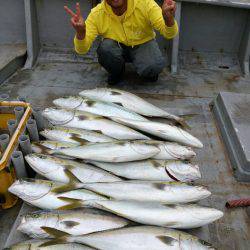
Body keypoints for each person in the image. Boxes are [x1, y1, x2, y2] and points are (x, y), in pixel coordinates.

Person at [65, 0, 178, 85]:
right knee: (106, 48)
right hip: (115, 48)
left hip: (142, 44)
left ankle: (146, 70)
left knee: (154, 67)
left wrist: (168, 19)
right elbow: (82, 49)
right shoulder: (97, 13)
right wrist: (81, 33)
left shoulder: (146, 4)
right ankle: (117, 72)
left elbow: (169, 34)